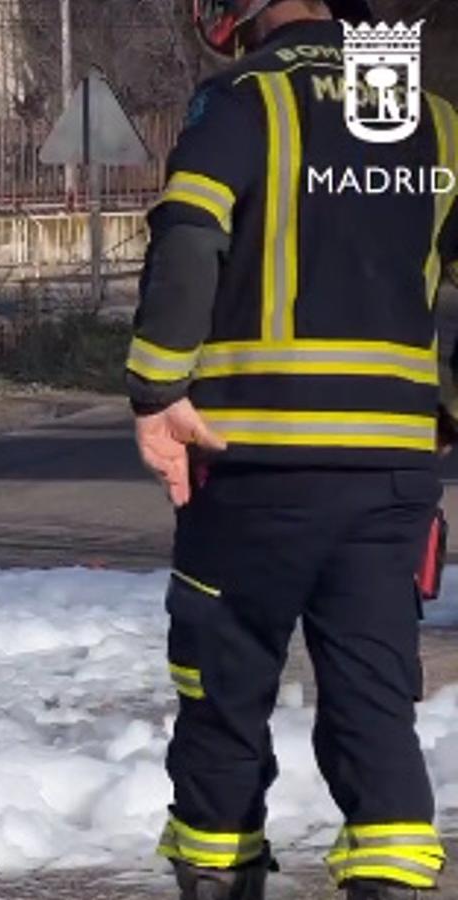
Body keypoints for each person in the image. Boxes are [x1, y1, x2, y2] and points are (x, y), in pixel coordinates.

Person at [128, 1, 458, 897]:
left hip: (252, 466)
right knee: (374, 706)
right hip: (391, 477)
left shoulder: (240, 101)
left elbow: (190, 240)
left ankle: (220, 880)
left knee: (223, 701)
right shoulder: (429, 116)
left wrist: (156, 390)